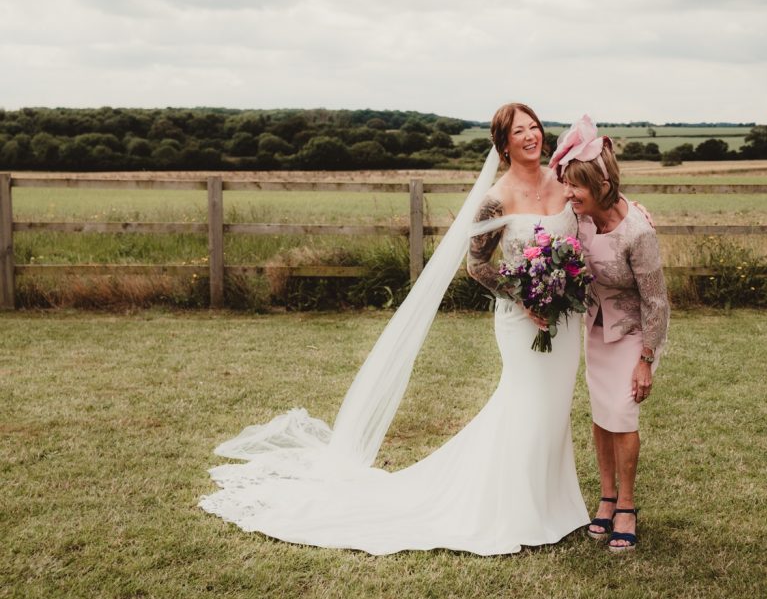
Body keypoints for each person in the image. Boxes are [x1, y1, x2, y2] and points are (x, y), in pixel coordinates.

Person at [198, 102, 588, 555]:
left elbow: (593, 214)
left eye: (535, 127)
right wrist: (526, 299)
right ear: (503, 144)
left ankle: (556, 504)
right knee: (527, 405)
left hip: (565, 316)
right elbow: (476, 265)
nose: (531, 136)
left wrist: (625, 210)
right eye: (520, 131)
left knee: (554, 407)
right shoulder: (495, 199)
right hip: (522, 322)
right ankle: (516, 511)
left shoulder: (563, 182)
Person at [550, 115, 670, 552]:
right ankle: (605, 497)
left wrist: (647, 359)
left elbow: (657, 301)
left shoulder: (637, 231)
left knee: (622, 415)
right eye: (566, 185)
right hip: (595, 331)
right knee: (602, 416)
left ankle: (628, 505)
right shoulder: (578, 216)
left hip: (633, 336)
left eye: (576, 186)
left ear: (600, 185)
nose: (569, 194)